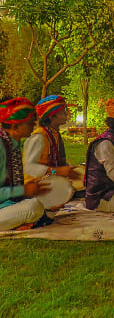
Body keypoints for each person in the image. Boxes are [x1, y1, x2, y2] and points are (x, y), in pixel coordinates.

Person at [24, 96, 84, 212]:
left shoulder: (55, 135)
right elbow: (29, 168)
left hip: (50, 182)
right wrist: (55, 171)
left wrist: (69, 169)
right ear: (52, 116)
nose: (67, 114)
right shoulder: (38, 137)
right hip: (36, 188)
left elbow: (55, 161)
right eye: (63, 112)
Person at [0, 97, 52, 231]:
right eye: (29, 123)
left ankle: (16, 223)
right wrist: (24, 190)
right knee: (33, 207)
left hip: (6, 204)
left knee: (42, 203)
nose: (34, 125)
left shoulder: (12, 144)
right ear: (15, 126)